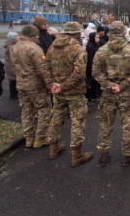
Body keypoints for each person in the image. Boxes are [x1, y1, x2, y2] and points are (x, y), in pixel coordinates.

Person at [92, 21, 130, 167]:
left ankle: (104, 156)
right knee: (128, 125)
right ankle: (128, 154)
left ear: (109, 32)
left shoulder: (101, 51)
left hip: (108, 94)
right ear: (124, 32)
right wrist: (122, 85)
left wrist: (109, 85)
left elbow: (96, 72)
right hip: (126, 94)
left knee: (105, 124)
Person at [46, 22, 94, 167]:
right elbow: (79, 73)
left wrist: (52, 84)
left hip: (57, 91)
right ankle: (76, 155)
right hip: (75, 92)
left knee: (56, 118)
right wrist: (64, 86)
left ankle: (53, 149)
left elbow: (45, 67)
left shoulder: (52, 47)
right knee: (77, 121)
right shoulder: (78, 49)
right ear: (77, 33)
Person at [10, 25, 58, 149]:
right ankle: (41, 138)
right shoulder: (34, 48)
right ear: (33, 35)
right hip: (36, 85)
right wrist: (50, 84)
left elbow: (13, 66)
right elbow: (43, 69)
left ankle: (29, 138)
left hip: (21, 84)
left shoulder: (14, 47)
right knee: (44, 110)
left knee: (27, 111)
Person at [86, 31, 101, 103]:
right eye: (97, 37)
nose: (99, 39)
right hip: (91, 68)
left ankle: (94, 95)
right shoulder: (90, 47)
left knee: (94, 83)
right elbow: (90, 60)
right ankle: (89, 97)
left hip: (95, 67)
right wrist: (91, 68)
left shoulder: (94, 45)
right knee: (90, 83)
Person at [4, 32, 20, 99]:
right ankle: (13, 94)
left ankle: (14, 93)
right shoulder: (11, 47)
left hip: (11, 65)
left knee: (14, 79)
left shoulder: (12, 45)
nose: (19, 37)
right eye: (17, 36)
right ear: (13, 38)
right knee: (13, 80)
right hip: (11, 65)